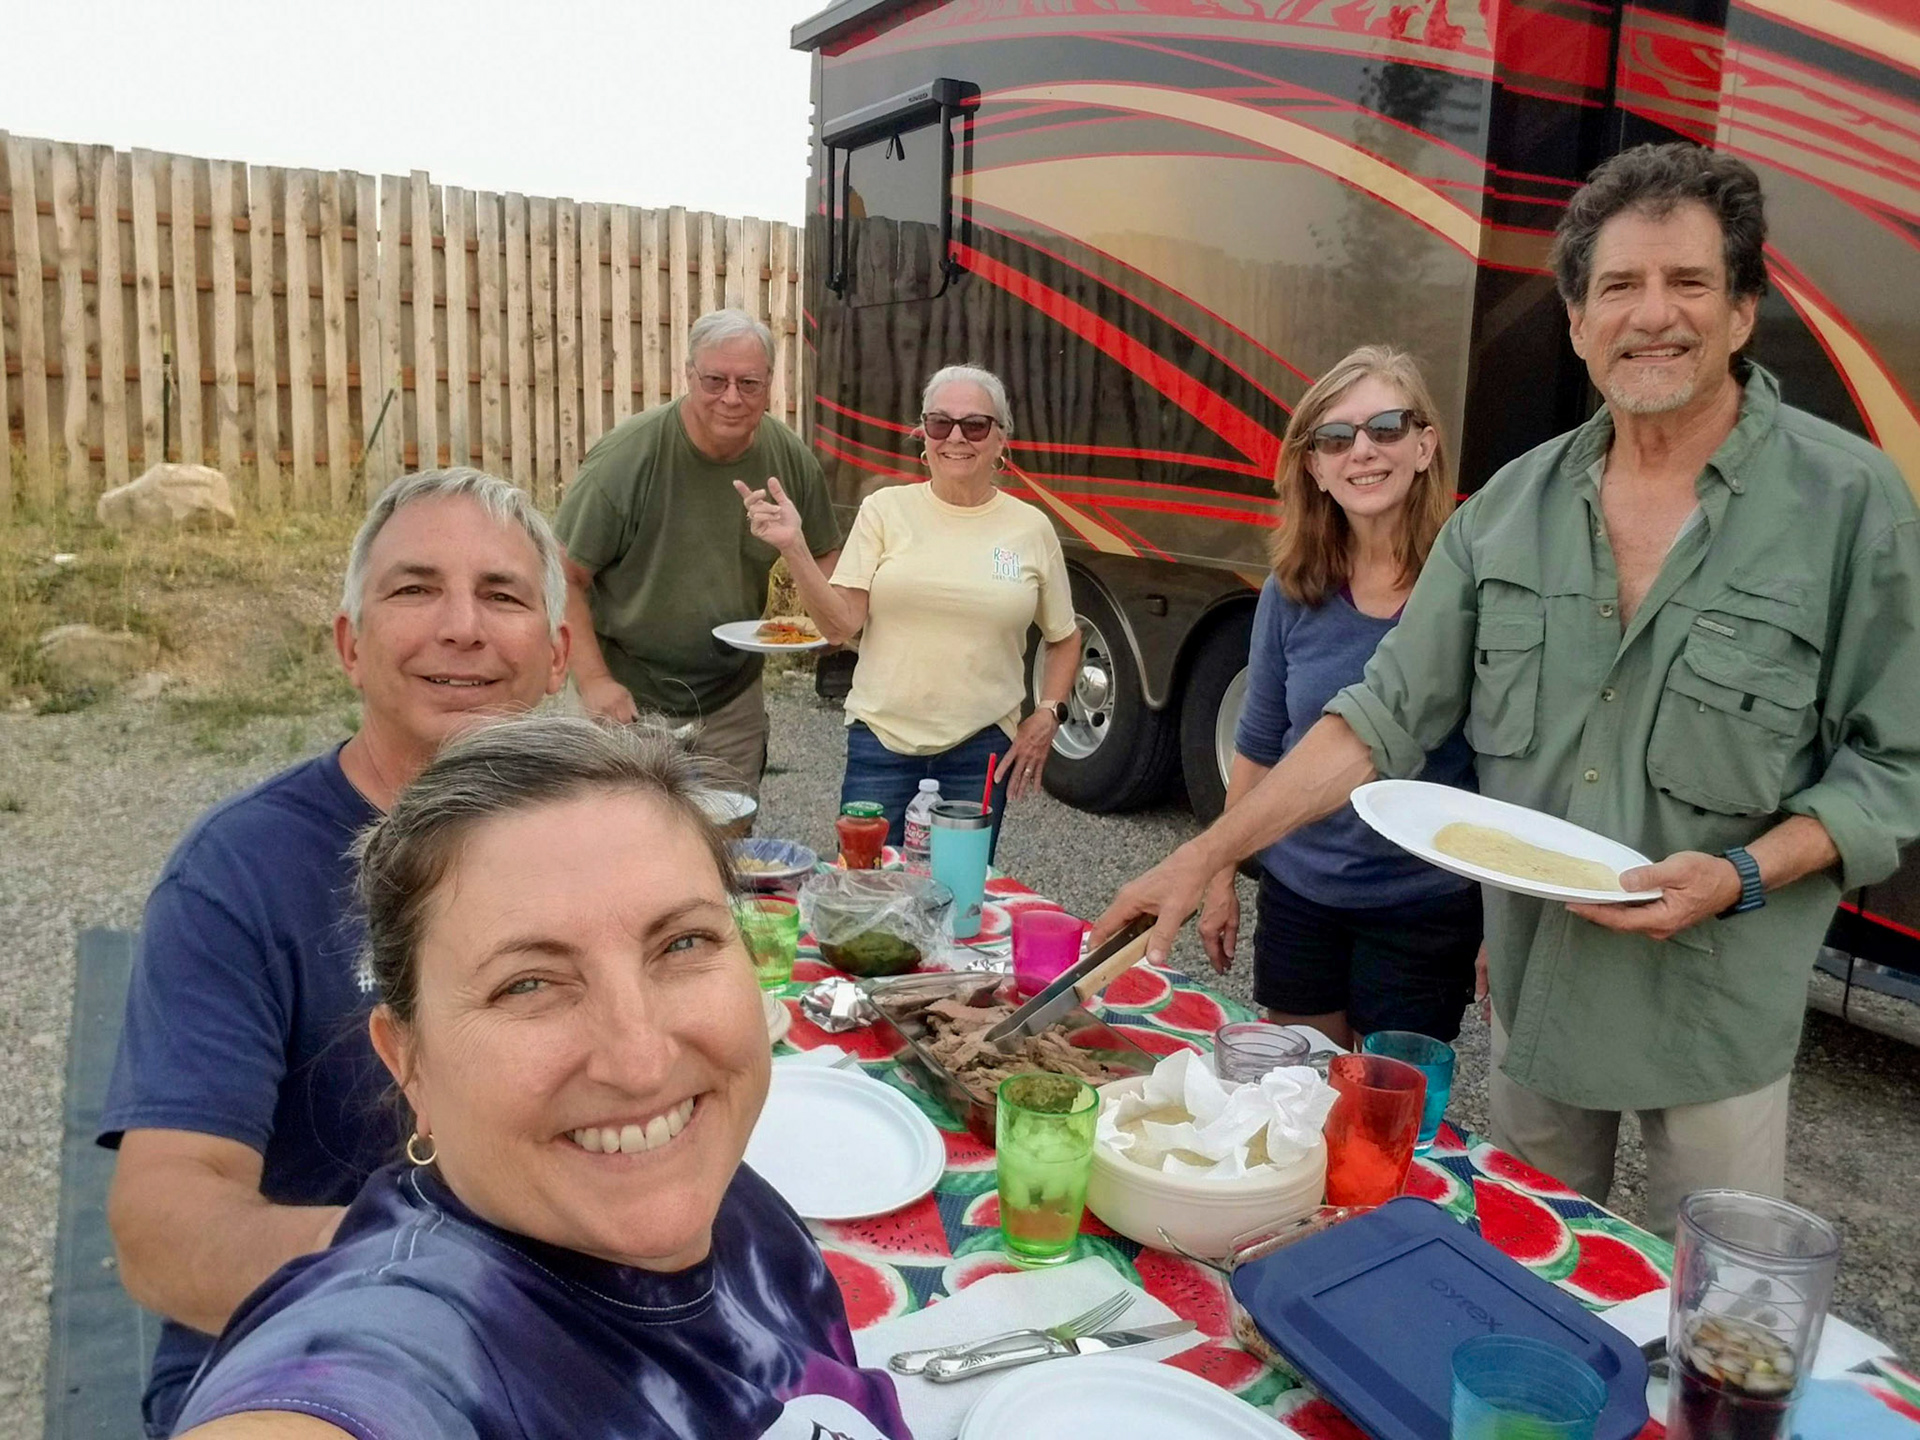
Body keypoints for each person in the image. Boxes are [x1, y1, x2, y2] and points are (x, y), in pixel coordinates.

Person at [1094, 142, 1920, 1234]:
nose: (1653, 315)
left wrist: (1741, 873)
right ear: (1578, 323)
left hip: (1721, 1003)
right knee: (1532, 1261)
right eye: (1619, 286)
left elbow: (1890, 766)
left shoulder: (1850, 501)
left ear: (1742, 311)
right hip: (1542, 996)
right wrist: (1205, 854)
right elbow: (1380, 718)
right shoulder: (1508, 513)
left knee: (1705, 1311)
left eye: (1689, 283)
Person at [169, 716, 911, 1440]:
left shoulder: (734, 1200)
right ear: (410, 1064)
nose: (640, 1061)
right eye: (527, 984)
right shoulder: (414, 1344)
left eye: (682, 942)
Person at [99, 468, 571, 1438]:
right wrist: (454, 1270)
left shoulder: (585, 855)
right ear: (350, 645)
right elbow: (162, 1227)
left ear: (557, 653)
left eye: (502, 595)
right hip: (304, 1353)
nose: (462, 628)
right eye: (414, 589)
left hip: (561, 1339)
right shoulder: (239, 874)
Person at [1201, 346, 1480, 1049]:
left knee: (1388, 1121)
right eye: (1336, 437)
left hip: (1423, 905)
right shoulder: (1291, 592)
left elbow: (1509, 767)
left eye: (1386, 427)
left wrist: (1505, 923)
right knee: (1301, 1098)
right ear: (1315, 467)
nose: (1363, 450)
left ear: (1425, 445)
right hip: (1302, 897)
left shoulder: (1472, 592)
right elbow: (1260, 744)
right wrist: (1219, 874)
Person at [737, 364, 1081, 853]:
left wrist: (1048, 711)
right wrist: (794, 548)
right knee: (865, 895)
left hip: (981, 748)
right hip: (881, 745)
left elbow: (1064, 636)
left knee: (955, 897)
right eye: (940, 423)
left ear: (1001, 439)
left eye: (975, 425)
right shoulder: (885, 510)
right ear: (924, 434)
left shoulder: (1030, 529)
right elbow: (839, 627)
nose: (956, 437)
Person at [554, 308, 841, 795]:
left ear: (769, 383)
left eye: (749, 383)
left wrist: (827, 623)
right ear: (689, 375)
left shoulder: (790, 460)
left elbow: (829, 557)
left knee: (725, 848)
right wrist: (596, 681)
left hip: (732, 697)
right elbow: (562, 575)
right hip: (629, 697)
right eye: (715, 380)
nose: (731, 397)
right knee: (621, 848)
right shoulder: (627, 458)